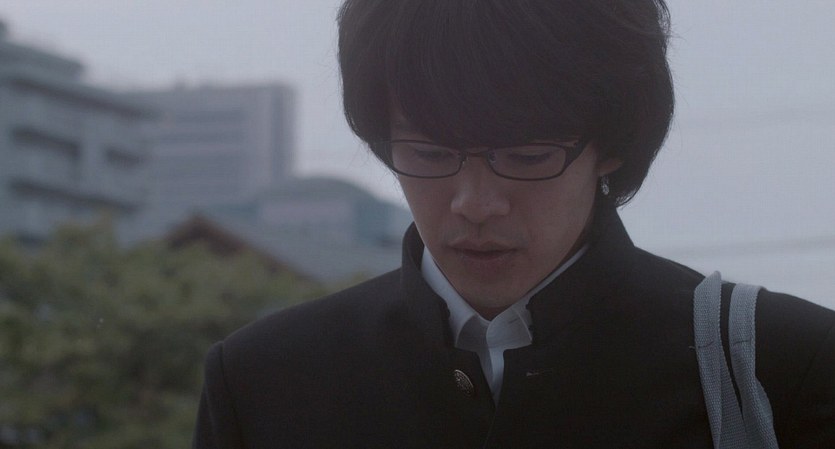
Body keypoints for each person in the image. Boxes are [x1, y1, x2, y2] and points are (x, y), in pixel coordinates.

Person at [192, 0, 835, 447]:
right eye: (430, 155)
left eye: (526, 157)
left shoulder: (784, 365)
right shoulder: (263, 380)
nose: (474, 203)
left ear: (610, 145)